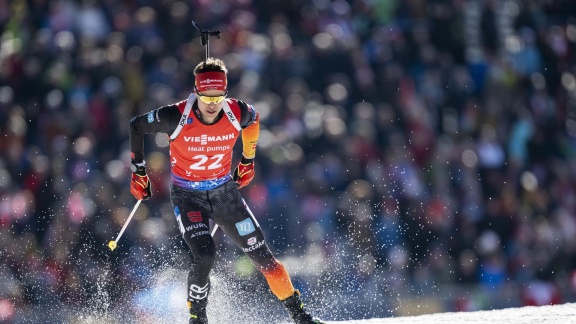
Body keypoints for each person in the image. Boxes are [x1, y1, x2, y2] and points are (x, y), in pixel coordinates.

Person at [128, 57, 325, 324]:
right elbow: (136, 126)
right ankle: (198, 318)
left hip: (224, 194)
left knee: (264, 257)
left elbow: (253, 120)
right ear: (196, 92)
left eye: (217, 97)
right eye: (206, 98)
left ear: (225, 93)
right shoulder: (176, 115)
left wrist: (247, 159)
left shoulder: (236, 111)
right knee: (205, 253)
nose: (212, 105)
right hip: (188, 197)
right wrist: (139, 171)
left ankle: (300, 316)